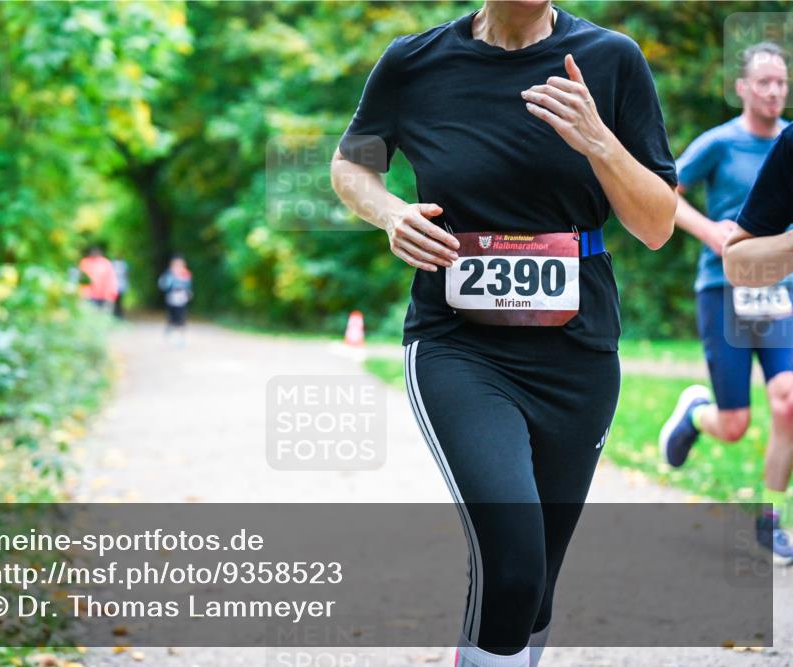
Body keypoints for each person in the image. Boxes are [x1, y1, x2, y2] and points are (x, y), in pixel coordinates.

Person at [331, 2, 676, 665]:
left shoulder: (611, 60)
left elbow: (658, 225)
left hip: (578, 352)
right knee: (512, 561)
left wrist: (599, 141)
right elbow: (351, 166)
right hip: (458, 345)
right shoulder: (415, 61)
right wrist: (391, 214)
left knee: (534, 581)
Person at [659, 43, 793, 564]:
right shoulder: (720, 144)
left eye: (781, 82)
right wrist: (708, 229)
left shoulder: (789, 141)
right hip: (724, 289)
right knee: (734, 425)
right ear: (740, 88)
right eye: (763, 82)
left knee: (787, 399)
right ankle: (696, 415)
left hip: (780, 293)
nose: (774, 91)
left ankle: (769, 516)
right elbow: (663, 191)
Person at [724, 124, 793, 286]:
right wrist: (707, 229)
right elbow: (737, 264)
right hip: (719, 285)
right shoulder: (719, 141)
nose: (772, 96)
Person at [158, 254, 193, 344]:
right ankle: (170, 328)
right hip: (171, 298)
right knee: (171, 318)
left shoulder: (186, 274)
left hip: (182, 298)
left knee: (181, 318)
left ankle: (181, 338)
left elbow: (188, 285)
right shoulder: (169, 273)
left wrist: (189, 292)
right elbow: (164, 285)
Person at [78, 245, 119, 310]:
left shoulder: (105, 263)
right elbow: (81, 278)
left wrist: (112, 294)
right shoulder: (85, 262)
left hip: (103, 295)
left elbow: (111, 279)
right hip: (87, 295)